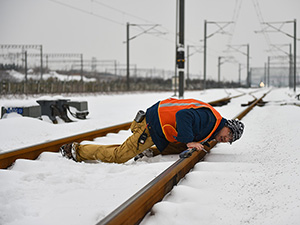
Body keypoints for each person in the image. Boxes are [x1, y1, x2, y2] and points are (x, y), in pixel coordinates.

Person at [60, 98, 244, 163]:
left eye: (230, 140)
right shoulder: (210, 119)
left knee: (188, 148)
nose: (226, 140)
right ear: (228, 126)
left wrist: (192, 144)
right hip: (152, 125)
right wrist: (189, 141)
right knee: (119, 155)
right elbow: (182, 116)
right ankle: (76, 150)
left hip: (159, 127)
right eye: (229, 135)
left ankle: (149, 151)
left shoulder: (212, 129)